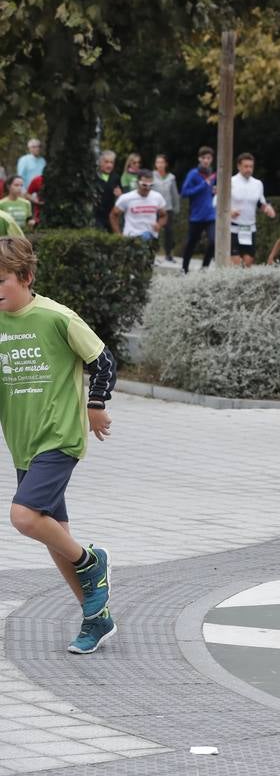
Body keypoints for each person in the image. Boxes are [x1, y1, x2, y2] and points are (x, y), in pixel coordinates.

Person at [0, 236, 119, 654]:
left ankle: (92, 560)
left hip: (60, 437)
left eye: (1, 281)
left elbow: (102, 360)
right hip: (23, 443)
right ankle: (96, 617)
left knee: (23, 516)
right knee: (54, 537)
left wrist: (95, 403)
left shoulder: (55, 317)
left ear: (26, 277)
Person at [228, 153, 276, 267]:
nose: (249, 169)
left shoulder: (258, 183)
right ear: (238, 166)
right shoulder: (230, 181)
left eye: (251, 166)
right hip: (233, 228)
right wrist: (229, 212)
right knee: (235, 265)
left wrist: (268, 209)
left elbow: (260, 202)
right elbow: (217, 202)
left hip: (249, 229)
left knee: (248, 264)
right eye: (246, 166)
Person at [179, 147, 217, 272]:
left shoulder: (212, 175)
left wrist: (213, 191)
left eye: (209, 158)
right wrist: (202, 185)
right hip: (196, 216)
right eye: (204, 158)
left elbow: (208, 194)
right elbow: (184, 192)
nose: (206, 161)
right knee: (192, 243)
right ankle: (184, 269)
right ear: (199, 159)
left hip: (210, 215)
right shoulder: (193, 174)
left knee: (214, 242)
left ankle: (204, 268)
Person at [110, 170, 167, 243]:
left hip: (150, 239)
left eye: (151, 185)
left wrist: (159, 225)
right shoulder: (126, 198)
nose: (147, 188)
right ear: (137, 183)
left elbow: (164, 215)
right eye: (144, 185)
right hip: (131, 238)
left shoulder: (157, 197)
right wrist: (118, 234)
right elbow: (113, 215)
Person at [150, 154, 180, 263]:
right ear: (155, 164)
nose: (160, 165)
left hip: (167, 208)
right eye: (158, 162)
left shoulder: (171, 177)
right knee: (154, 230)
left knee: (169, 231)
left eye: (162, 162)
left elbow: (174, 194)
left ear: (166, 164)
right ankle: (152, 253)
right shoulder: (152, 176)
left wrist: (176, 208)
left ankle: (168, 254)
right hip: (154, 208)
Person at [93, 150, 121, 233]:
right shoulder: (94, 176)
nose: (109, 165)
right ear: (100, 162)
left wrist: (120, 194)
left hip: (111, 215)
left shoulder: (116, 177)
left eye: (111, 162)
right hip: (96, 215)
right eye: (106, 162)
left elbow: (121, 195)